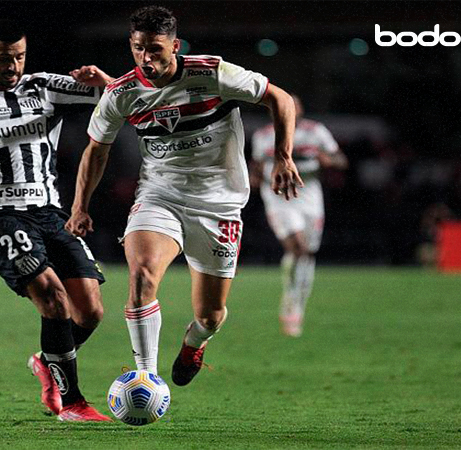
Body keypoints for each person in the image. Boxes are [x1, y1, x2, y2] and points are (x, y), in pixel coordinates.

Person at [66, 6, 302, 387]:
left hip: (219, 205)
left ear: (175, 46)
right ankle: (146, 377)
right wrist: (80, 207)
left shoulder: (211, 74)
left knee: (210, 314)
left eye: (155, 49)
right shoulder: (121, 93)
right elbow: (96, 150)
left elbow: (281, 99)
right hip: (160, 196)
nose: (146, 58)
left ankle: (194, 344)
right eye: (139, 48)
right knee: (141, 274)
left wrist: (283, 156)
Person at [0, 19, 114, 422]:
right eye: (4, 58)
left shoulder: (44, 87)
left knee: (91, 312)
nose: (14, 65)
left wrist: (103, 79)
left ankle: (46, 361)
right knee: (51, 296)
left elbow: (118, 95)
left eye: (20, 56)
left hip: (50, 212)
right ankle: (73, 403)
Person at [250, 95, 347, 337]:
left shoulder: (316, 131)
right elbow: (256, 168)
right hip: (278, 197)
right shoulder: (262, 136)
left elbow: (341, 160)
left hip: (309, 198)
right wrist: (252, 177)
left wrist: (329, 160)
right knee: (299, 248)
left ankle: (296, 304)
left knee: (307, 254)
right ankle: (292, 303)